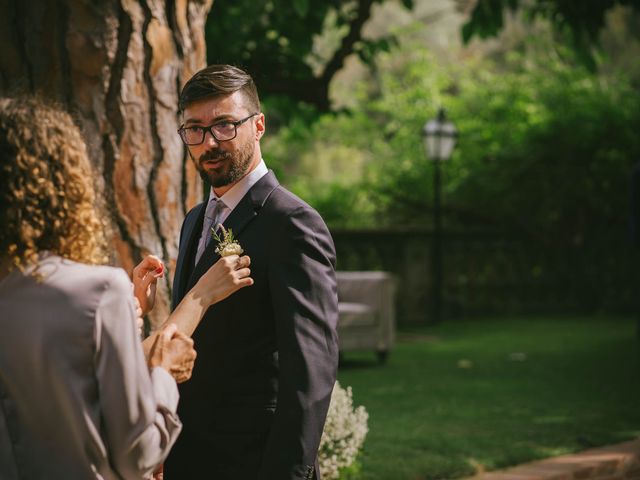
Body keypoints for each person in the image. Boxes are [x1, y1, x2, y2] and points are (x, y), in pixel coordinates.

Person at [0, 96, 253, 479]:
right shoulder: (98, 291)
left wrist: (126, 317)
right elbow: (137, 453)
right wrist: (164, 374)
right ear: (65, 182)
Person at [165, 64, 339, 480]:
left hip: (254, 463)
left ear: (258, 125)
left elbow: (310, 372)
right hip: (190, 458)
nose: (209, 142)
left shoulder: (293, 223)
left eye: (225, 125)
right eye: (195, 129)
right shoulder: (194, 220)